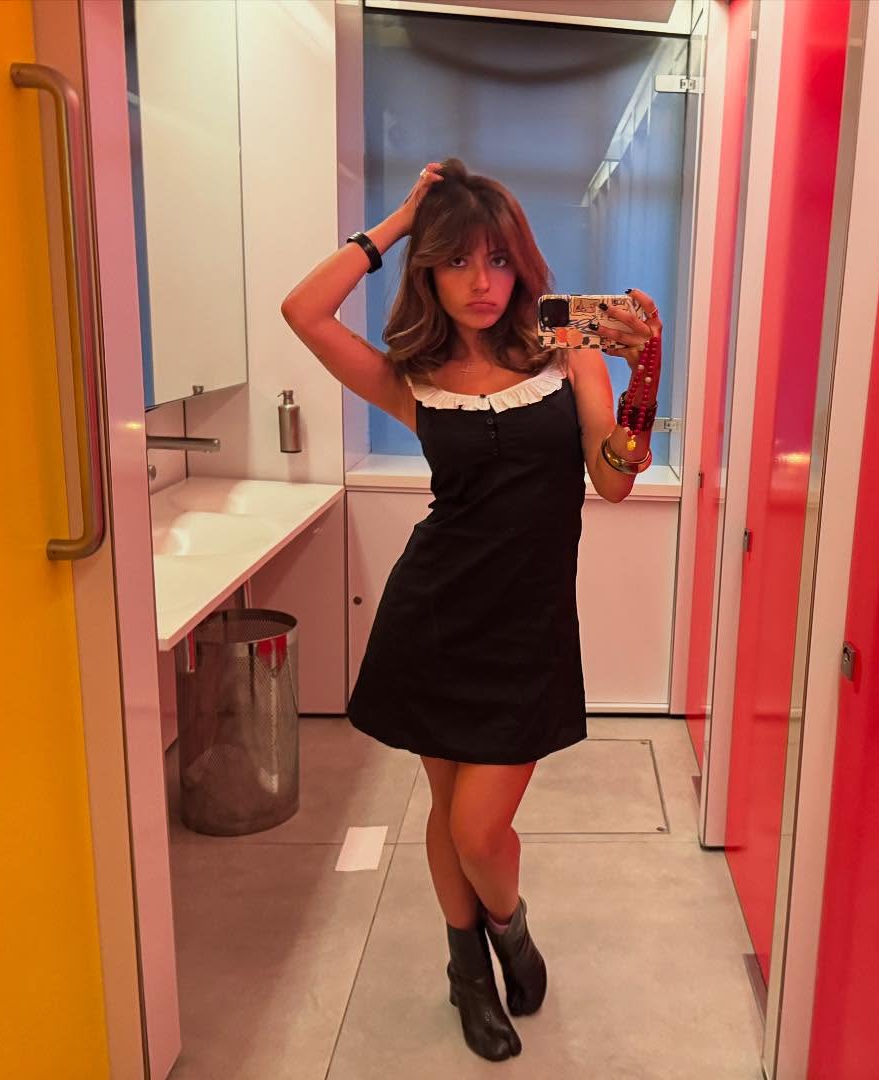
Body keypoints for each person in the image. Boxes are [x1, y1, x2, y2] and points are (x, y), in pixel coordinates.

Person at [280, 158, 663, 1062]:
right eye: (455, 260)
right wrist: (401, 217)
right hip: (433, 618)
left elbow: (611, 482)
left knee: (479, 829)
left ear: (520, 264)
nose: (480, 282)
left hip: (528, 628)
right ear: (429, 269)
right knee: (449, 809)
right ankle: (468, 973)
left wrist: (641, 389)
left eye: (495, 259)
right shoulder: (413, 377)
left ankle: (510, 928)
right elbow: (303, 311)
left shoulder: (566, 352)